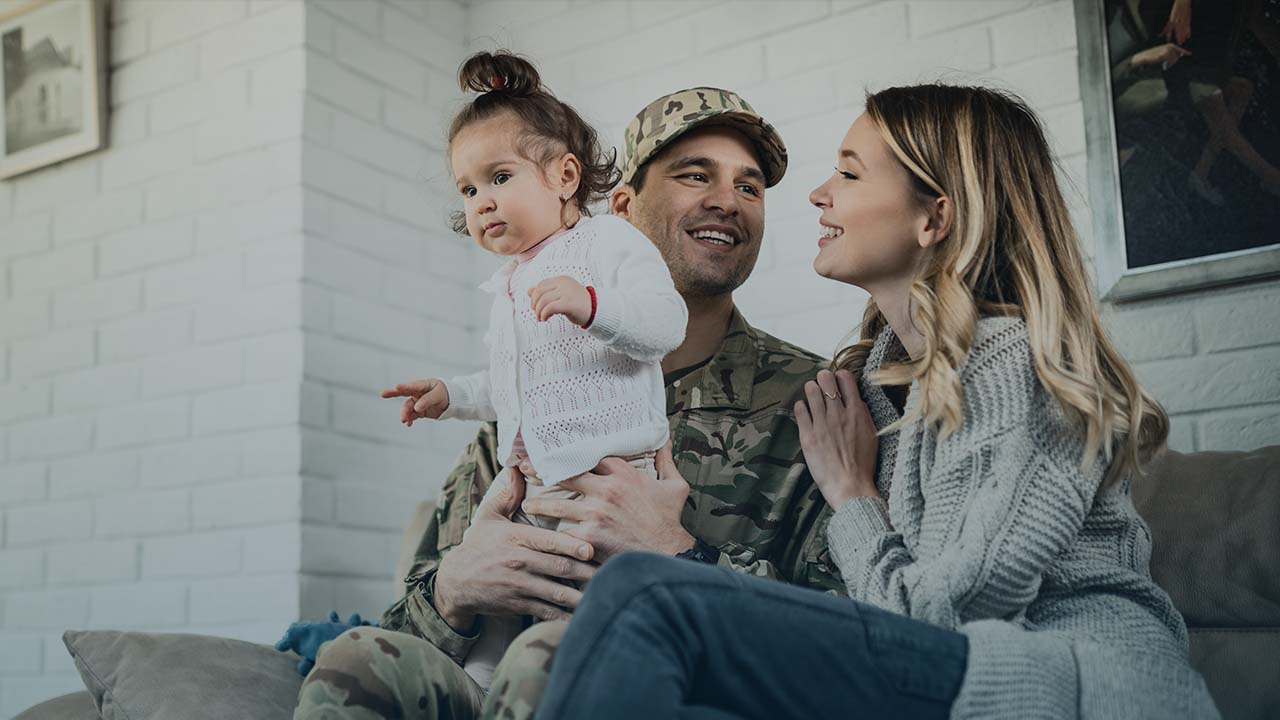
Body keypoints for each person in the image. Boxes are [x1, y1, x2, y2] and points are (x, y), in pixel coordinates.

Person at [536, 84, 1222, 720]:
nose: (815, 195)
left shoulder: (1017, 365)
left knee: (646, 597)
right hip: (961, 680)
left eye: (850, 173)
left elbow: (940, 618)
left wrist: (853, 496)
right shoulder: (875, 387)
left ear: (934, 217)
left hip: (1075, 690)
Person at [292, 81, 842, 720]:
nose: (727, 202)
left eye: (749, 187)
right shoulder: (527, 397)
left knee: (552, 664)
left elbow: (849, 644)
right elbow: (412, 623)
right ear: (625, 208)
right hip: (494, 679)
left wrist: (680, 556)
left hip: (664, 686)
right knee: (356, 662)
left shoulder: (810, 403)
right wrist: (455, 590)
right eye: (696, 176)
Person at [377, 50, 688, 690]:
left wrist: (592, 305)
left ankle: (558, 678)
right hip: (531, 476)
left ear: (564, 176)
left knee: (578, 601)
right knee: (494, 587)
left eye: (499, 177)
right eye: (467, 189)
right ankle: (485, 685)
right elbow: (511, 384)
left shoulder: (608, 244)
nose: (481, 202)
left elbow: (665, 326)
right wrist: (451, 395)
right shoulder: (513, 282)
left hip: (606, 476)